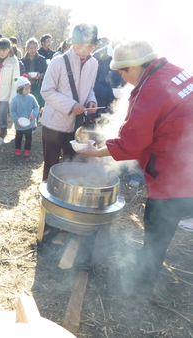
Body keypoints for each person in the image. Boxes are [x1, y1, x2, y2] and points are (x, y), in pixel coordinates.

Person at [79, 39, 193, 293]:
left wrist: (96, 151)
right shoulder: (175, 71)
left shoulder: (150, 90)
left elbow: (133, 142)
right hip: (187, 164)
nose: (120, 75)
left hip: (174, 174)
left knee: (157, 232)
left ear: (136, 66)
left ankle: (141, 284)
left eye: (122, 70)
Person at [40, 24, 99, 181]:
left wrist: (91, 101)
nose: (85, 50)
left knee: (72, 162)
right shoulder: (58, 61)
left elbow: (90, 89)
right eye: (82, 46)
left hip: (77, 125)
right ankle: (48, 194)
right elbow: (46, 91)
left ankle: (67, 195)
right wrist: (71, 105)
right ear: (73, 42)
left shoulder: (94, 63)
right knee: (51, 163)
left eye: (90, 46)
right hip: (54, 123)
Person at [92, 40, 126, 116]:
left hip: (120, 110)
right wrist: (111, 94)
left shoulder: (129, 54)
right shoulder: (98, 56)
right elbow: (90, 83)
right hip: (98, 109)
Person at [10, 76, 39, 156]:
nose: (28, 90)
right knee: (18, 136)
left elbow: (36, 107)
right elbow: (12, 110)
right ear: (19, 89)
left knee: (28, 137)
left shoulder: (31, 98)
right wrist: (16, 119)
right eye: (25, 89)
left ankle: (27, 149)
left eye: (28, 88)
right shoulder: (15, 99)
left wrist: (34, 114)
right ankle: (17, 148)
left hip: (29, 123)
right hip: (19, 123)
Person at [21, 37, 47, 109]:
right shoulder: (22, 60)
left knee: (36, 106)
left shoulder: (42, 59)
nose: (33, 50)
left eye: (35, 48)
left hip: (38, 86)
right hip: (25, 86)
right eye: (31, 48)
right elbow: (20, 73)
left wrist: (40, 75)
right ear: (27, 48)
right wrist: (26, 76)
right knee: (26, 106)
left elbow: (46, 72)